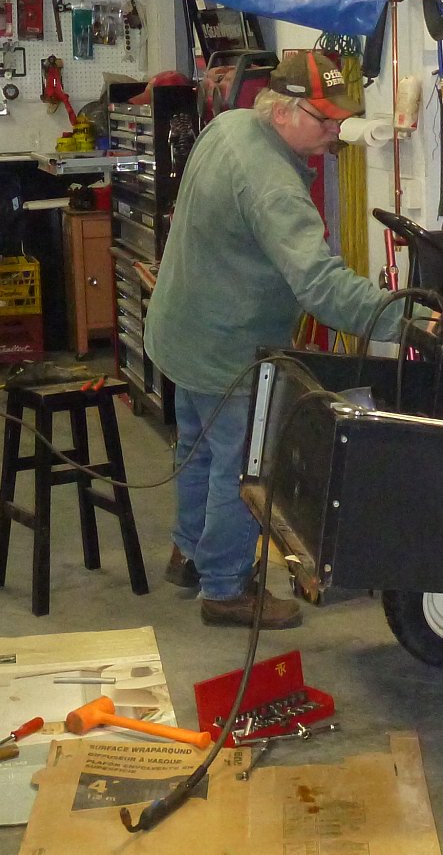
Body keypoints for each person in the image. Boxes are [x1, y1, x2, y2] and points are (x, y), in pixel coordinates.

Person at [146, 50, 395, 629]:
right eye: (325, 119)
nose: (336, 131)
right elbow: (321, 286)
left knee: (196, 448)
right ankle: (225, 587)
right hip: (227, 349)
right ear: (282, 111)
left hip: (182, 330)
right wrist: (400, 318)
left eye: (342, 118)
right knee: (242, 469)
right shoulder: (275, 187)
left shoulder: (230, 125)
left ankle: (189, 551)